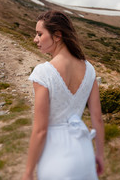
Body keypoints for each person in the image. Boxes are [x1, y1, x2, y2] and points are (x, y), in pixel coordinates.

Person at [21, 10, 105, 180]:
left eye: (39, 34)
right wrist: (100, 155)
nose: (35, 39)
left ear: (57, 36)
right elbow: (97, 118)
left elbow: (40, 130)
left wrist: (28, 172)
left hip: (56, 154)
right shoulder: (89, 69)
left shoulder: (43, 72)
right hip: (84, 152)